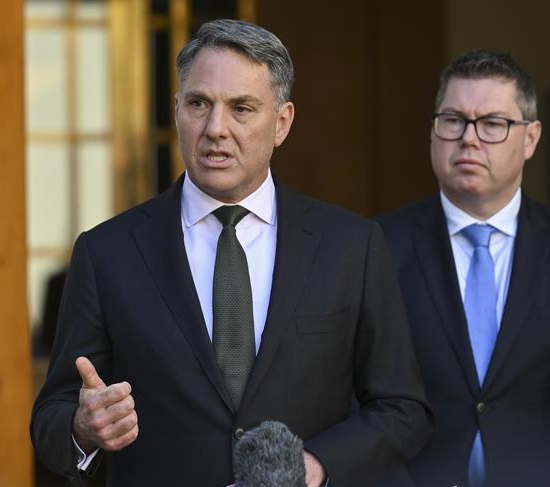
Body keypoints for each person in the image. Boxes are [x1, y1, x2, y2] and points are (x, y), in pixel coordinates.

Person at [31, 19, 432, 487]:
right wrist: (84, 427)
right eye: (199, 103)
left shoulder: (352, 247)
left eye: (241, 108)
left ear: (281, 123)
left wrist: (314, 468)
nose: (215, 128)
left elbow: (404, 410)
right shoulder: (107, 253)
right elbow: (52, 419)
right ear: (177, 108)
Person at [378, 50, 546, 487]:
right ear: (433, 133)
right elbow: (355, 399)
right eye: (453, 120)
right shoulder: (374, 248)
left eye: (492, 123)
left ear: (530, 138)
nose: (469, 139)